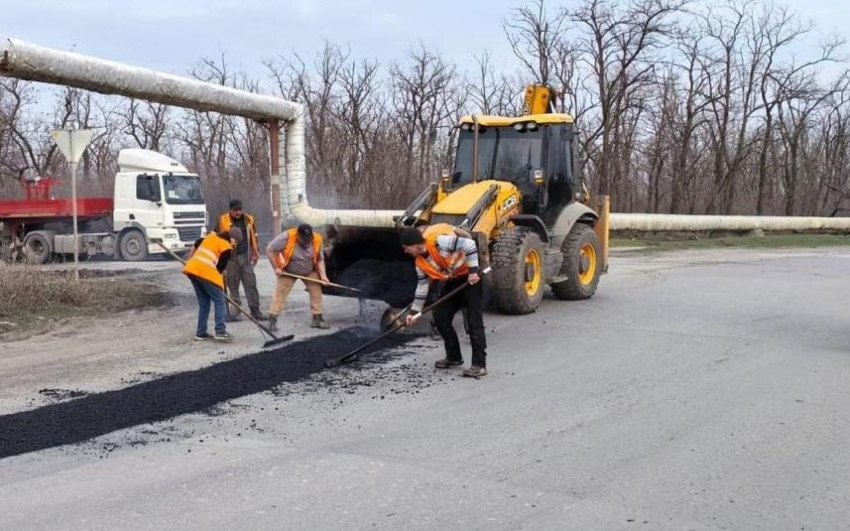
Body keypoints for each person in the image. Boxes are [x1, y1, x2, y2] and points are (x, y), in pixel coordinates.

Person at [400, 225, 488, 378]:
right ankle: (454, 357)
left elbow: (469, 244)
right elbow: (422, 287)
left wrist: (473, 271)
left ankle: (479, 365)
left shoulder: (439, 242)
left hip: (471, 279)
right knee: (440, 317)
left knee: (474, 322)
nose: (405, 251)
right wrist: (414, 312)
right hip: (454, 281)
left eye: (406, 248)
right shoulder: (419, 263)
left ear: (415, 244)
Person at [266, 223, 331, 332]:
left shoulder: (317, 238)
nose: (307, 243)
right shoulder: (287, 236)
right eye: (304, 240)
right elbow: (270, 249)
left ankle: (317, 319)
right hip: (288, 271)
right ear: (298, 235)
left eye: (308, 240)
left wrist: (323, 277)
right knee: (280, 293)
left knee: (316, 291)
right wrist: (276, 267)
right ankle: (272, 320)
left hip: (309, 270)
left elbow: (320, 259)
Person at [183, 229, 240, 342]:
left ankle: (201, 333)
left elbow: (196, 243)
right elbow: (220, 268)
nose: (235, 244)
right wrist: (219, 285)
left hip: (192, 271)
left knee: (204, 303)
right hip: (205, 273)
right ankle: (220, 331)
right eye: (236, 241)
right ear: (232, 238)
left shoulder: (210, 237)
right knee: (220, 301)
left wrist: (190, 259)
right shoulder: (226, 246)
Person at [215, 199, 265, 321]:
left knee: (251, 284)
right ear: (230, 210)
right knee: (233, 285)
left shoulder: (249, 219)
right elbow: (215, 235)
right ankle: (236, 311)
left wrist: (255, 252)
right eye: (235, 210)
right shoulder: (223, 220)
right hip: (230, 259)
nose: (238, 212)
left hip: (246, 257)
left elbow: (255, 236)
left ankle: (255, 310)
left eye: (240, 209)